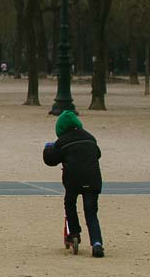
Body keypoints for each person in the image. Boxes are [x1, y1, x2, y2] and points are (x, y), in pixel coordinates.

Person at [43, 110, 105, 258]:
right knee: (91, 212)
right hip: (93, 180)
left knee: (70, 203)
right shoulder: (90, 138)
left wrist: (48, 149)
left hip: (73, 180)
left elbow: (51, 160)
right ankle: (97, 243)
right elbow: (98, 154)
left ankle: (75, 233)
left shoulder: (62, 142)